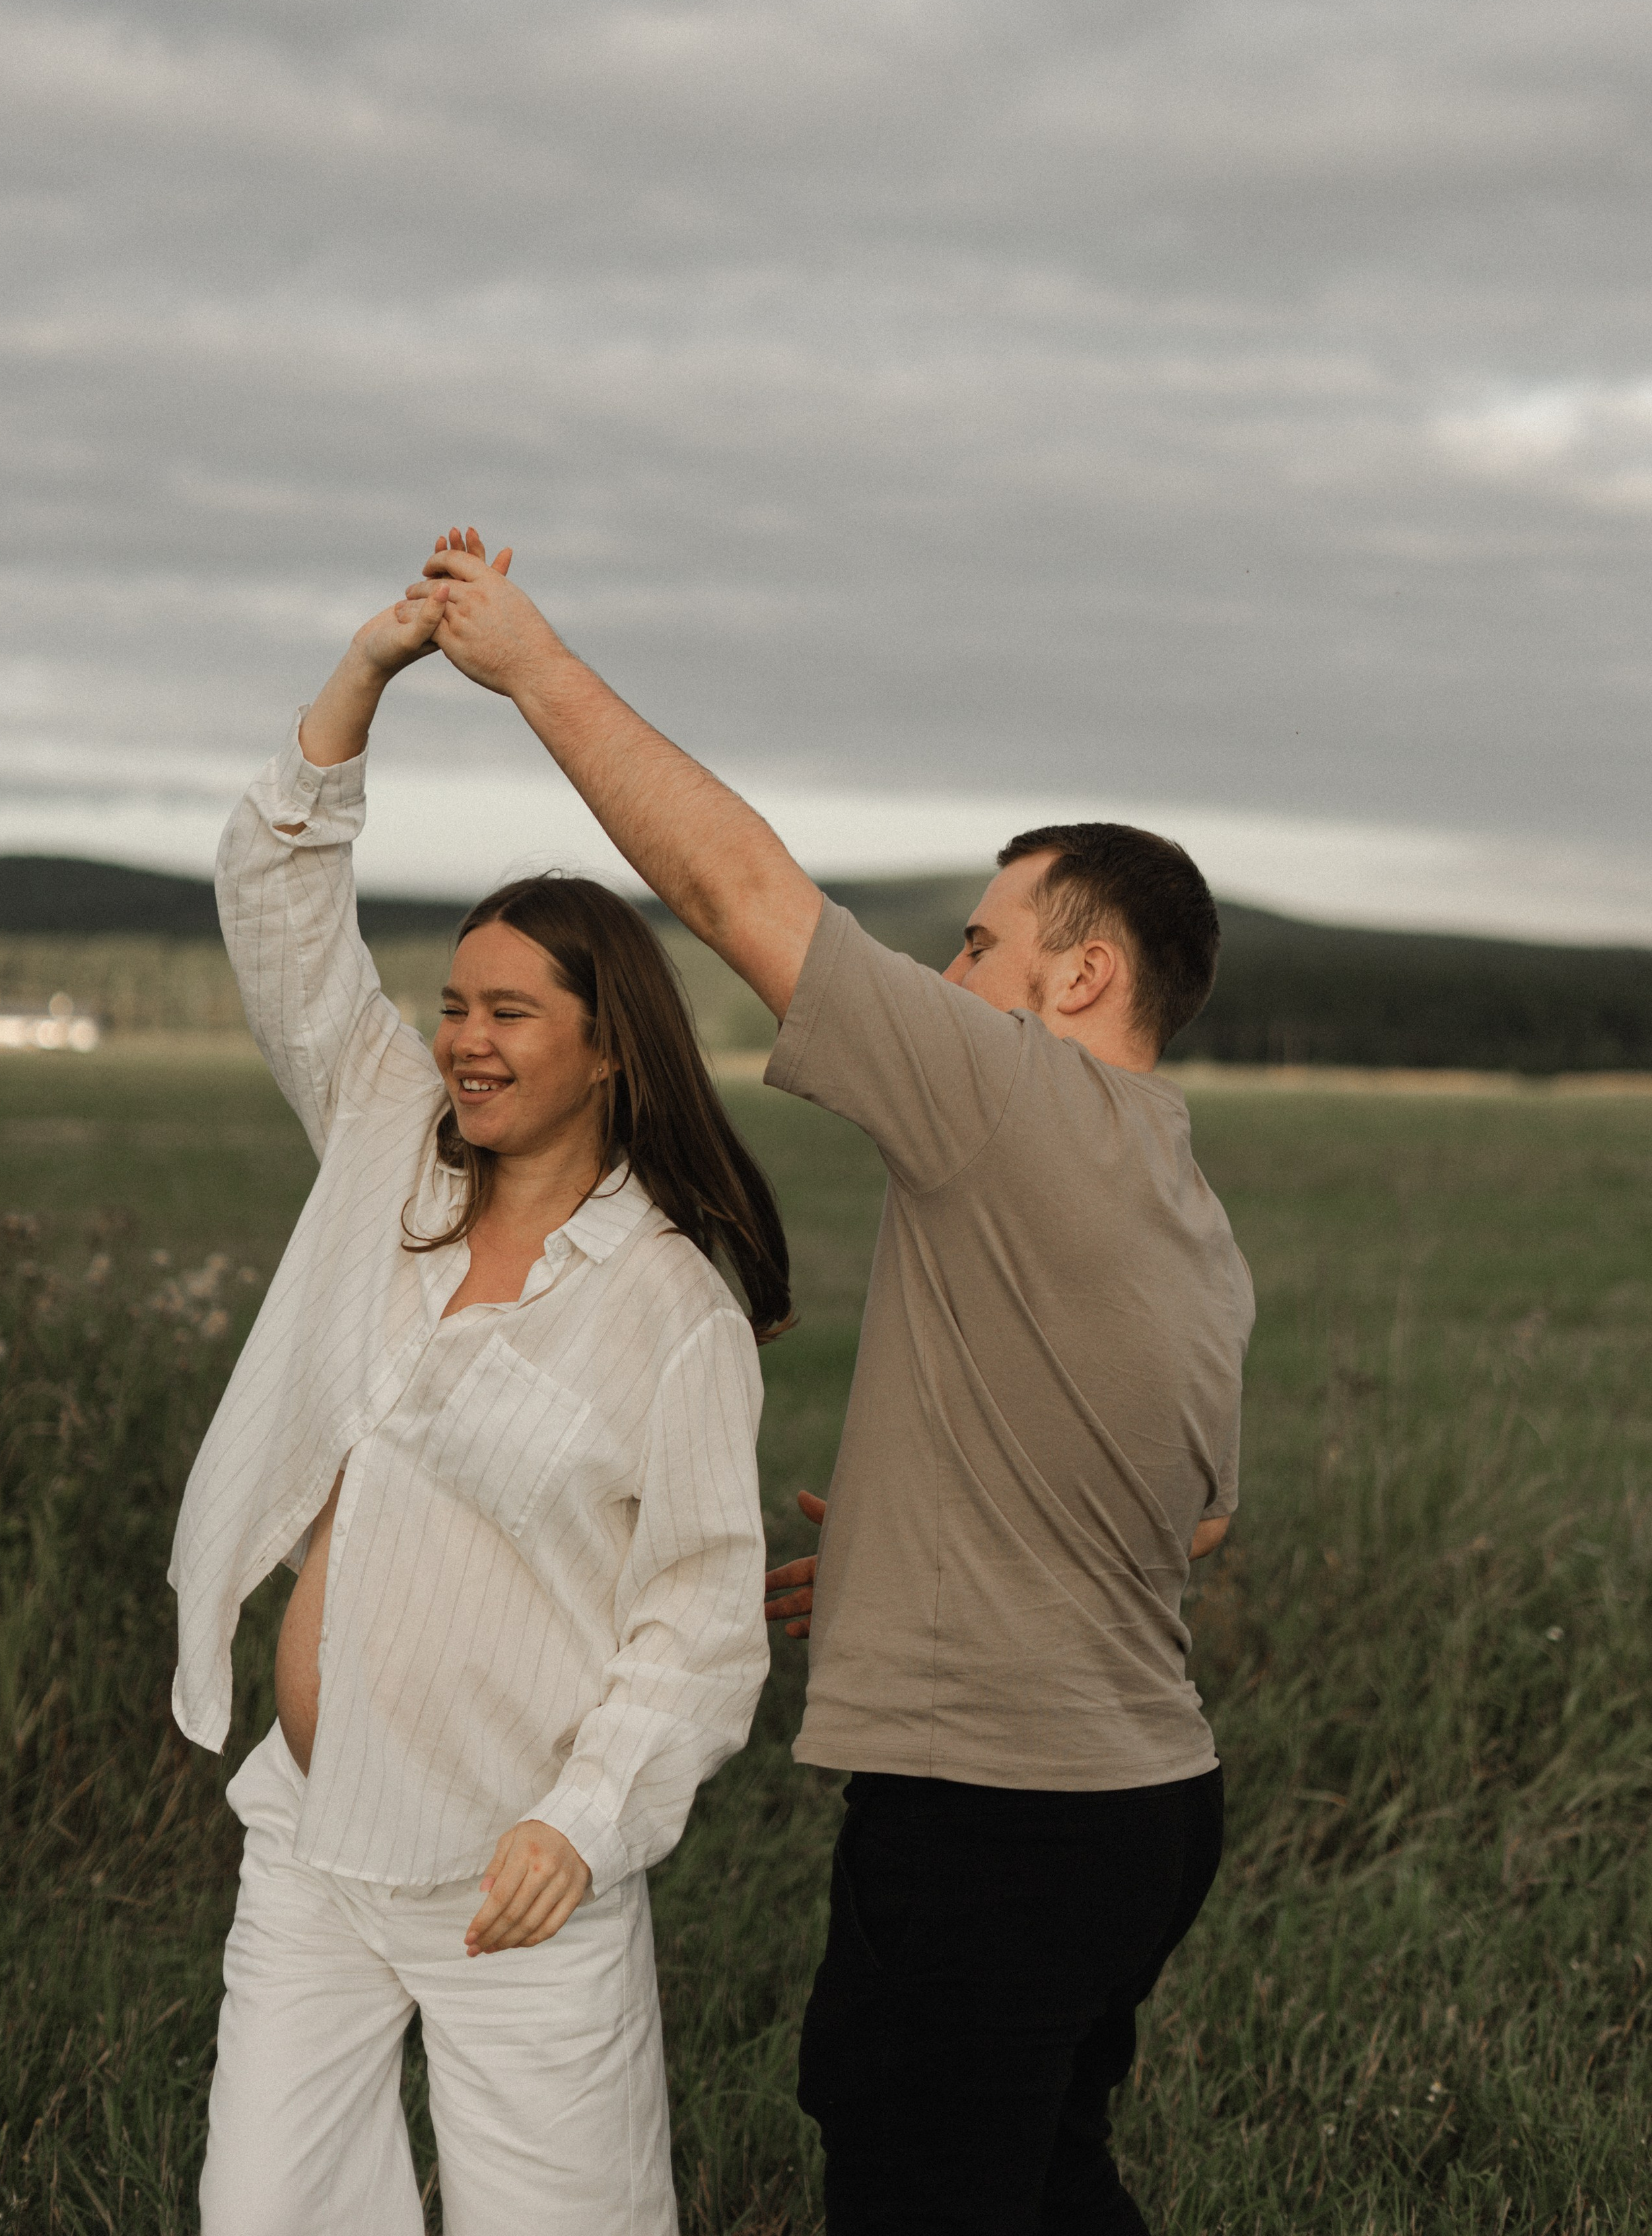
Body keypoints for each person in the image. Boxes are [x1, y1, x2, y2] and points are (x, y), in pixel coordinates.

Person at [404, 529, 1255, 2236]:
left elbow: (734, 894)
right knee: (1046, 2183)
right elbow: (1197, 1521)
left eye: (973, 942)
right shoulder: (1181, 1200)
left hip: (996, 1822)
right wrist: (916, 1544)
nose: (942, 979)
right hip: (1142, 1810)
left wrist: (529, 665)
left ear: (1076, 977)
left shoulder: (1014, 1100)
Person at [170, 586, 787, 2236]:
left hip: (513, 1876)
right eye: (453, 1005)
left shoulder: (668, 1311)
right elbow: (281, 913)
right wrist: (368, 669)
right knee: (267, 2215)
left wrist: (581, 1829)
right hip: (309, 1838)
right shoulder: (387, 1144)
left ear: (607, 1051)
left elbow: (704, 1620)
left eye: (508, 1013)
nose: (462, 1040)